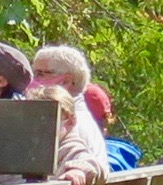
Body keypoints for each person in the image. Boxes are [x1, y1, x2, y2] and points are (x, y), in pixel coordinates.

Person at [33, 41, 139, 173]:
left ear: (66, 81)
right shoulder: (76, 116)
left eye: (40, 74)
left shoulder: (67, 123)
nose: (33, 81)